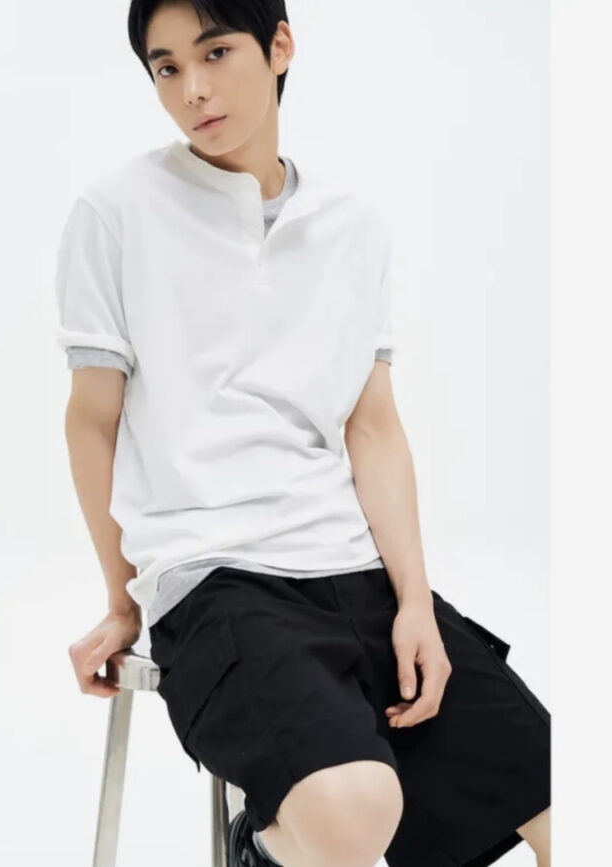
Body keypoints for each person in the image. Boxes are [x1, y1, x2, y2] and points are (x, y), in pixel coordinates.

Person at [58, 2, 551, 865]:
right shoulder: (116, 213)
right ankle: (267, 848)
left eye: (216, 52)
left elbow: (374, 426)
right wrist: (125, 597)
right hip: (216, 582)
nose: (192, 88)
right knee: (357, 806)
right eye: (167, 67)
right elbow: (92, 423)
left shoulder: (352, 226)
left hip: (353, 569)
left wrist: (414, 601)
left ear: (279, 45)